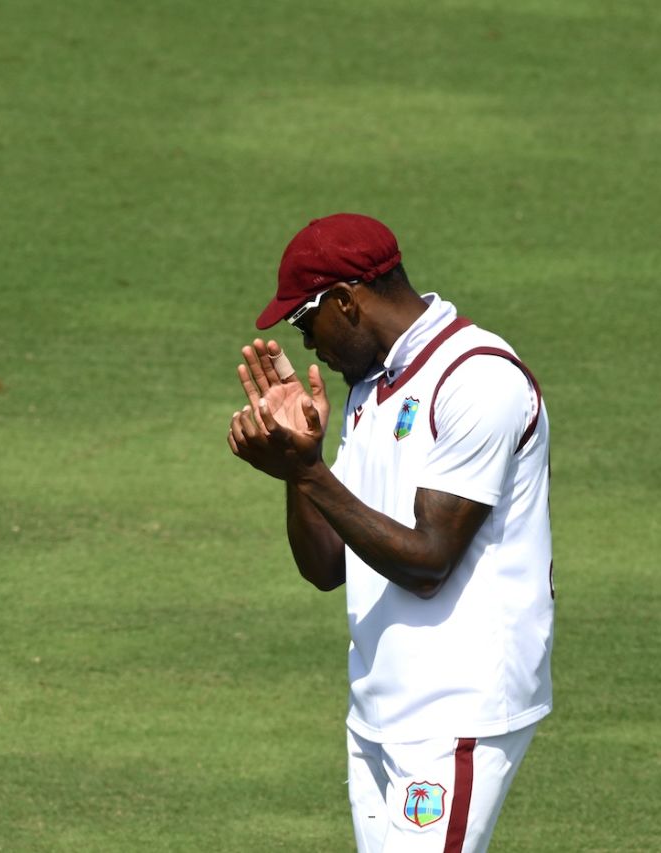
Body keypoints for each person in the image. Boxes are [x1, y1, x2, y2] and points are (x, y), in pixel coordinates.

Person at [227, 213, 553, 853]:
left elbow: (429, 561)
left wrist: (311, 473)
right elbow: (326, 566)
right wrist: (300, 461)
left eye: (304, 322)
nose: (307, 345)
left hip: (459, 707)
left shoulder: (477, 379)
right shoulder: (370, 389)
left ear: (345, 301)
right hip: (378, 707)